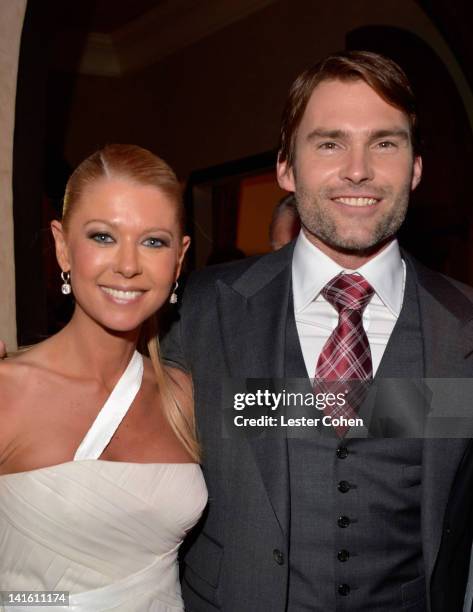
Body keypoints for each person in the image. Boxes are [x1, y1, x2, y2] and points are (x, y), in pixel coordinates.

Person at [162, 51, 473, 611]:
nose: (358, 169)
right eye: (329, 143)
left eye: (385, 143)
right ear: (286, 167)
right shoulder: (204, 308)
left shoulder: (466, 325)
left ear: (417, 167)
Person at [0, 144, 207, 611]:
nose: (128, 265)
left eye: (153, 241)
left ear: (179, 259)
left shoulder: (182, 397)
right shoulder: (6, 393)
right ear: (61, 245)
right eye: (102, 237)